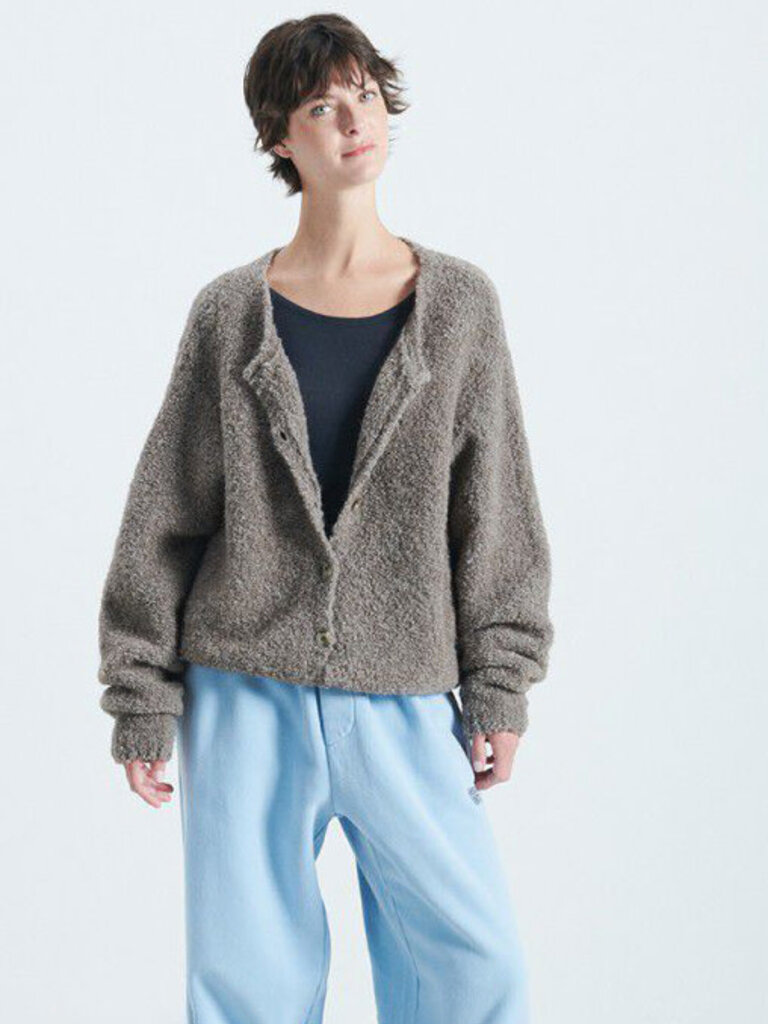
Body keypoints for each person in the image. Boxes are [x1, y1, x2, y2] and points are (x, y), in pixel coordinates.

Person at [97, 13, 554, 1024]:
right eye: (321, 105)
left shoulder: (459, 305)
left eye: (366, 96)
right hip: (244, 690)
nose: (354, 121)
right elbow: (165, 511)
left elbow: (497, 510)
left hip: (406, 688)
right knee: (248, 985)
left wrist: (500, 684)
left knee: (476, 968)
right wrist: (140, 695)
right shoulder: (230, 312)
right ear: (279, 137)